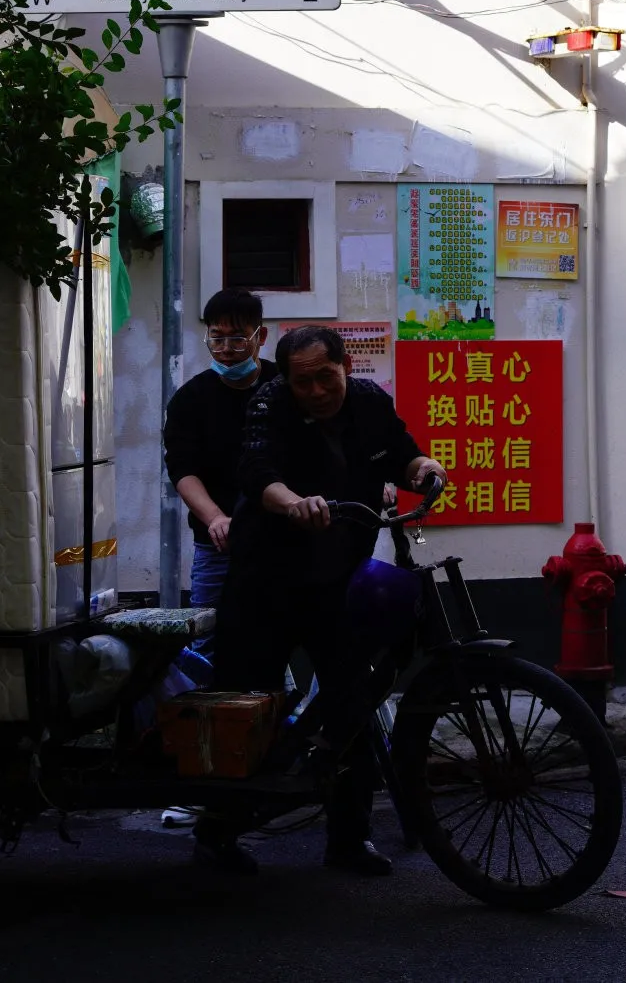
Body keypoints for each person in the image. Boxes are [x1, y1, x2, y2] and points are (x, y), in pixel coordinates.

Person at [194, 325, 447, 878]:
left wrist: (423, 468)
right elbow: (257, 473)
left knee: (351, 704)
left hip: (338, 579)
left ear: (346, 366)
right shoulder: (269, 402)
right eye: (302, 381)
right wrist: (292, 502)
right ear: (287, 379)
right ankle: (217, 833)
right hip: (264, 582)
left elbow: (402, 454)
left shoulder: (370, 401)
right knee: (244, 706)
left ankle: (349, 840)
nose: (315, 391)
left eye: (325, 377)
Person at [160, 287, 277, 828]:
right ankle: (202, 774)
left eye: (237, 338)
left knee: (279, 643)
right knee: (207, 650)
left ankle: (273, 758)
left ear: (260, 336)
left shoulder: (283, 388)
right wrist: (214, 518)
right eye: (217, 338)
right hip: (219, 547)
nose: (227, 348)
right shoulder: (191, 400)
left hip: (281, 545)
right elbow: (183, 471)